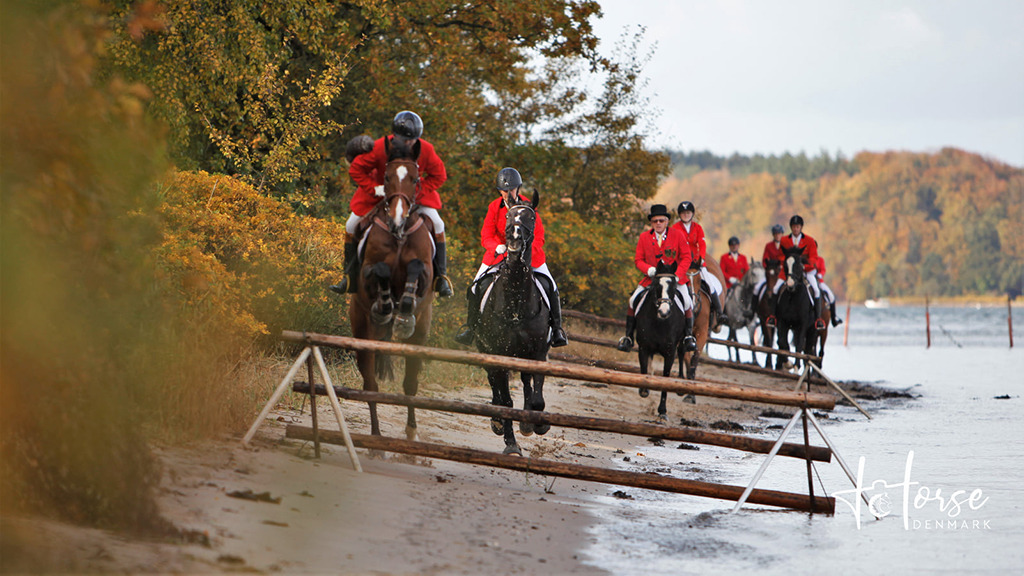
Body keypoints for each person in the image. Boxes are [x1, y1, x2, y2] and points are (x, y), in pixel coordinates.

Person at [329, 111, 453, 297]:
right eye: (404, 139)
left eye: (411, 140)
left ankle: (441, 277)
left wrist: (416, 192)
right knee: (351, 224)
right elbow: (356, 169)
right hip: (380, 195)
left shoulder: (426, 149)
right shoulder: (380, 147)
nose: (407, 143)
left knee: (438, 224)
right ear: (395, 135)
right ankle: (349, 276)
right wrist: (376, 189)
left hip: (414, 197)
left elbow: (439, 176)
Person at [453, 168, 568, 347]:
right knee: (476, 287)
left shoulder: (529, 207)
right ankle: (471, 328)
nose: (508, 193)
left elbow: (539, 236)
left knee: (551, 286)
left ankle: (557, 330)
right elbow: (486, 235)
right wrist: (496, 247)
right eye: (504, 190)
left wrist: (525, 251)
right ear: (499, 191)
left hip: (529, 258)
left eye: (511, 189)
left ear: (518, 188)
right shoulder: (494, 207)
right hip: (498, 257)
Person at [616, 204, 696, 353]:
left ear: (666, 221)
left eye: (661, 220)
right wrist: (649, 269)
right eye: (655, 221)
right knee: (633, 300)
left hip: (675, 279)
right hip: (652, 280)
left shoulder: (678, 235)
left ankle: (688, 337)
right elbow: (638, 260)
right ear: (651, 223)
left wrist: (677, 275)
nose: (658, 223)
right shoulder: (644, 237)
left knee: (687, 301)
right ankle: (628, 337)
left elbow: (686, 257)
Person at [766, 215, 825, 330]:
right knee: (776, 288)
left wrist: (803, 262)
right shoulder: (784, 240)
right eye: (794, 227)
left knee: (816, 290)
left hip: (806, 271)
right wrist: (790, 262)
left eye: (798, 227)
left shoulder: (810, 240)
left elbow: (814, 258)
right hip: (788, 271)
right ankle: (773, 316)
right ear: (791, 227)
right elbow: (780, 256)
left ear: (801, 227)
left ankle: (818, 319)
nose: (796, 229)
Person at [671, 201, 723, 326]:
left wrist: (701, 258)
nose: (686, 215)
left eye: (688, 213)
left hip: (696, 264)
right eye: (683, 213)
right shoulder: (675, 228)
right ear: (680, 215)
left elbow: (702, 244)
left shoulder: (698, 228)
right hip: (681, 264)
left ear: (692, 214)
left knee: (710, 284)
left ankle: (720, 313)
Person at [753, 224, 785, 301]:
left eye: (779, 234)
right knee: (757, 288)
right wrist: (767, 268)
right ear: (773, 235)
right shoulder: (769, 246)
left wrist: (782, 266)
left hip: (782, 273)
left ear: (782, 234)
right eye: (776, 234)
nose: (777, 236)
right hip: (771, 273)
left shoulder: (786, 245)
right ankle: (753, 310)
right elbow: (764, 259)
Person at [815, 255, 843, 327]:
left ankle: (834, 319)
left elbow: (823, 270)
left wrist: (820, 274)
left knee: (831, 297)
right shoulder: (804, 258)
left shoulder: (820, 259)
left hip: (819, 281)